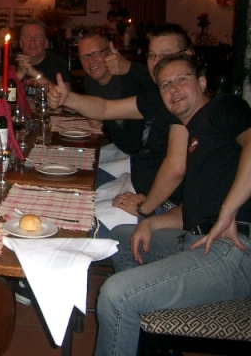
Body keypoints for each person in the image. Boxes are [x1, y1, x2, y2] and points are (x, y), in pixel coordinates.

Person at [95, 54, 251, 356]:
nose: (173, 89)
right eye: (165, 85)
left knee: (115, 294)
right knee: (122, 237)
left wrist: (228, 211)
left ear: (202, 82)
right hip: (199, 239)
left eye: (182, 79)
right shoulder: (194, 136)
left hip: (236, 249)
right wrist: (151, 222)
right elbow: (196, 208)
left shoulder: (224, 107)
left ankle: (129, 306)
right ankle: (142, 336)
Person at [49, 23, 193, 218]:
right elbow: (105, 108)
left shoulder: (183, 103)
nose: (156, 63)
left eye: (165, 55)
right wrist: (68, 98)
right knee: (70, 193)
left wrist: (145, 207)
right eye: (152, 55)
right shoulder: (158, 97)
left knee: (76, 214)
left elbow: (176, 169)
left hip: (160, 204)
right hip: (139, 181)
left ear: (188, 56)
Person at [78, 33, 151, 156]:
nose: (90, 61)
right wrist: (93, 118)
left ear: (110, 52)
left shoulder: (132, 78)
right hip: (120, 150)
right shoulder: (89, 82)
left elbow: (158, 84)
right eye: (84, 57)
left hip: (146, 155)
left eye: (96, 53)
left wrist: (129, 67)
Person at [13, 20, 71, 91]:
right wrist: (18, 75)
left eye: (38, 37)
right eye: (27, 37)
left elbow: (66, 95)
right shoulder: (10, 61)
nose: (32, 42)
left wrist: (34, 73)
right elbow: (0, 91)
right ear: (20, 43)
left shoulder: (58, 63)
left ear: (46, 43)